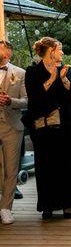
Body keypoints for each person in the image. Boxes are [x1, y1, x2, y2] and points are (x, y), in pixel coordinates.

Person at [23, 37, 71, 219]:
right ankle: (47, 205)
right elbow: (34, 96)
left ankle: (68, 205)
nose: (63, 53)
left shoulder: (69, 70)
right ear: (51, 51)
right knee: (45, 165)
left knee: (68, 163)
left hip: (67, 123)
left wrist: (64, 79)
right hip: (43, 125)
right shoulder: (33, 72)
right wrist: (51, 79)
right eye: (60, 49)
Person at [0, 39, 28, 224]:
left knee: (11, 169)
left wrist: (11, 101)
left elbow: (26, 101)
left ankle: (6, 208)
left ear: (8, 53)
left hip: (12, 126)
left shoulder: (19, 73)